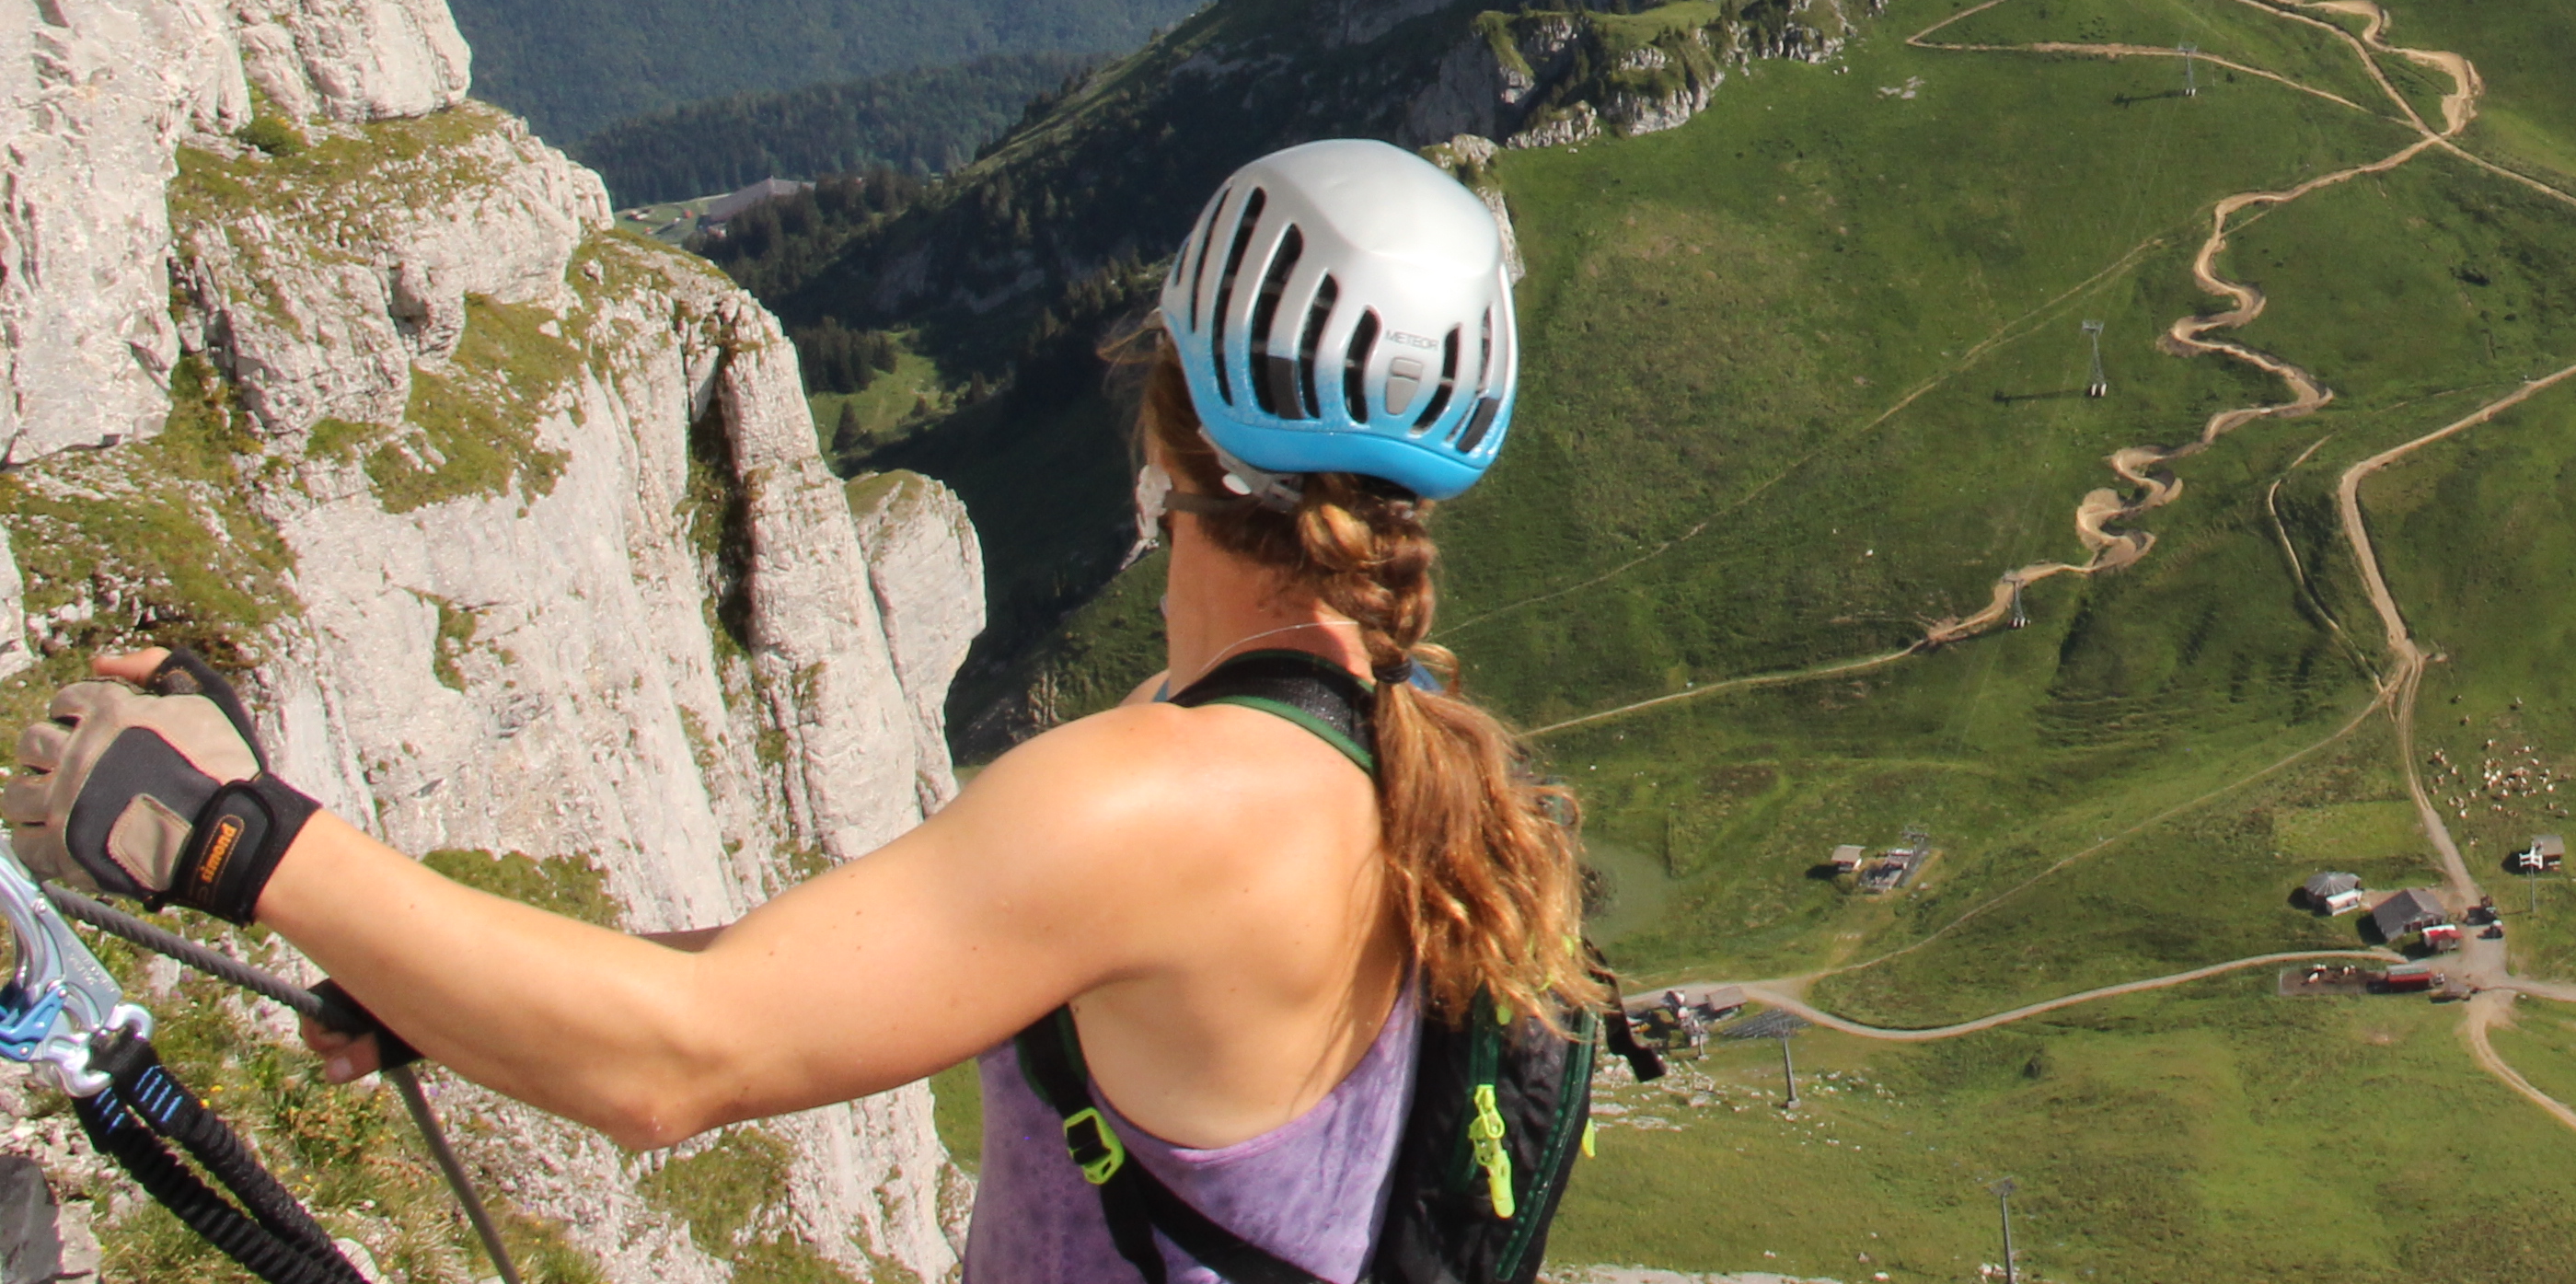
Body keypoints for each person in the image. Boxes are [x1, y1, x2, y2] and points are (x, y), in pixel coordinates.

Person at [6, 139, 1574, 1284]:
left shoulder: (1160, 801)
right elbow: (860, 972)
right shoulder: (1374, 742)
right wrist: (450, 985)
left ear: (1168, 422)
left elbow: (675, 1065)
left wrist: (238, 838)